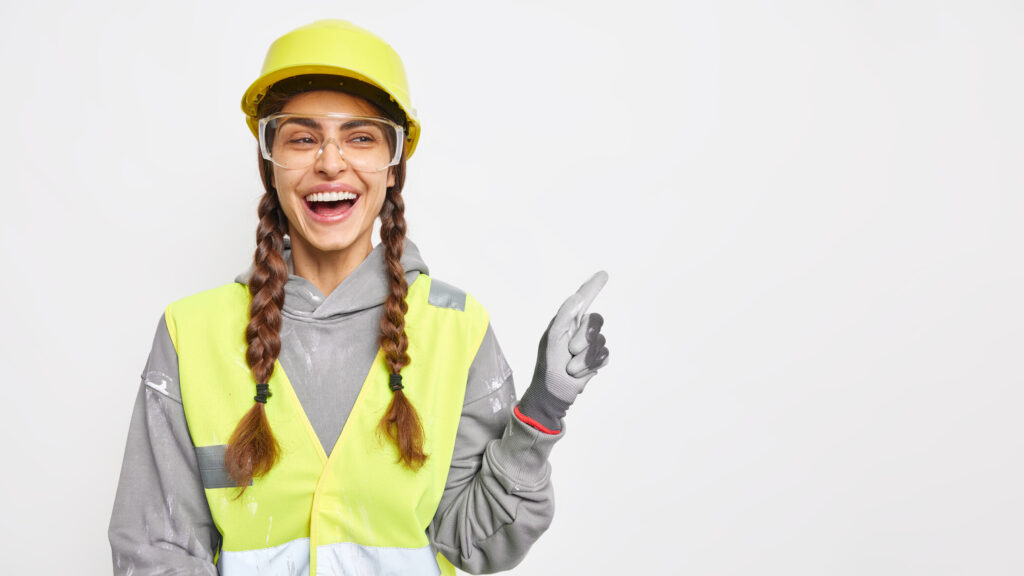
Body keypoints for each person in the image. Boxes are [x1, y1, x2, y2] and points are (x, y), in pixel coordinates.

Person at [108, 19, 610, 576]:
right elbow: (155, 549)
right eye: (302, 137)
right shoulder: (191, 333)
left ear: (393, 167)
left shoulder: (456, 329)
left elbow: (474, 544)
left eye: (361, 136)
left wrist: (541, 411)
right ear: (269, 163)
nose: (329, 161)